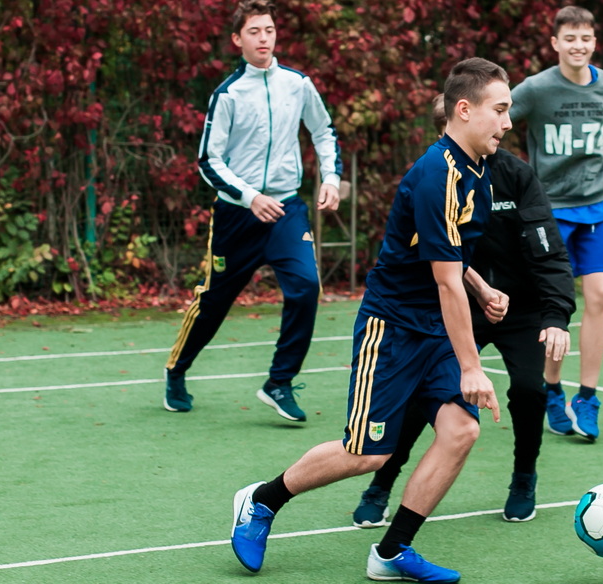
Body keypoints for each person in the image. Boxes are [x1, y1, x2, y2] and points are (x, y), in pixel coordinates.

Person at [229, 58, 512, 583]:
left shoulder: (478, 171)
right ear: (464, 110)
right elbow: (445, 281)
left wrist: (482, 286)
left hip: (434, 329)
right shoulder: (437, 176)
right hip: (394, 329)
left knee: (461, 431)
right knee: (368, 454)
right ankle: (262, 500)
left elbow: (451, 258)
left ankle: (391, 552)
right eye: (500, 110)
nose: (507, 122)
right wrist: (472, 366)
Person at [351, 94, 576, 528]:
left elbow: (548, 249)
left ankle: (523, 479)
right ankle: (381, 485)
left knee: (529, 390)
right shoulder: (436, 176)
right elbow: (437, 262)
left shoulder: (515, 175)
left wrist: (555, 315)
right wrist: (478, 292)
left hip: (518, 308)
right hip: (457, 307)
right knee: (421, 396)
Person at [163, 0, 341, 422]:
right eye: (254, 31)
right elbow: (209, 161)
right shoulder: (227, 95)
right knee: (214, 302)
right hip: (237, 216)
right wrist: (249, 197)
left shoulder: (298, 84)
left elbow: (324, 131)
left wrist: (331, 178)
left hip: (286, 210)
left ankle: (279, 382)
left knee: (306, 286)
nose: (264, 38)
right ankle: (177, 370)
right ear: (237, 40)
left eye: (269, 30)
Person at [509, 5, 603, 442]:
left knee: (601, 295)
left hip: (597, 208)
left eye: (586, 38)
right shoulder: (536, 89)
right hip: (550, 212)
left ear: (595, 42)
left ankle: (588, 398)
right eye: (570, 38)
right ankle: (552, 389)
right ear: (555, 43)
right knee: (554, 303)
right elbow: (497, 119)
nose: (578, 46)